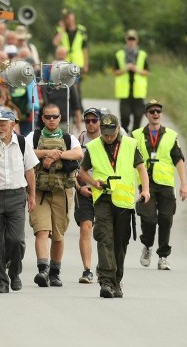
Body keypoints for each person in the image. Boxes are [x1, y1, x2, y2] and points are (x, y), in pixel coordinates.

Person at [77, 114, 150, 298]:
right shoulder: (93, 147)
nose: (108, 137)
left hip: (124, 201)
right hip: (103, 199)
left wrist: (145, 190)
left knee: (120, 243)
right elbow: (82, 171)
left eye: (111, 133)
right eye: (105, 133)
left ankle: (117, 281)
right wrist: (93, 183)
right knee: (105, 238)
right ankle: (106, 282)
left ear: (118, 129)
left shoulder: (130, 145)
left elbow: (141, 168)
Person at [0, 108, 38, 293]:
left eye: (3, 123)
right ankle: (1, 282)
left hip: (16, 196)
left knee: (16, 240)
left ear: (12, 124)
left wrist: (32, 196)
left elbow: (30, 170)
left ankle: (14, 273)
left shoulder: (22, 143)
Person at [26, 103, 84, 287]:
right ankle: (42, 269)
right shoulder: (33, 137)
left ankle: (54, 272)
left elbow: (78, 153)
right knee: (41, 230)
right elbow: (25, 152)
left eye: (55, 117)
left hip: (62, 191)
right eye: (47, 117)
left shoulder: (68, 138)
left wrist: (58, 155)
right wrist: (45, 153)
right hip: (40, 191)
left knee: (58, 234)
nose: (51, 120)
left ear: (60, 118)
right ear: (42, 118)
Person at [131, 100, 187, 271]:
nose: (155, 114)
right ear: (146, 115)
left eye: (158, 111)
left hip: (165, 184)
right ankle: (148, 246)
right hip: (146, 183)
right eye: (151, 111)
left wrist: (183, 184)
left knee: (165, 219)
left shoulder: (171, 135)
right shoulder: (136, 135)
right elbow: (129, 159)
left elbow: (178, 159)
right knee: (148, 218)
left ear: (161, 114)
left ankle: (163, 256)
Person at [74, 108, 102, 283]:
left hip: (104, 191)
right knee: (86, 227)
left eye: (94, 120)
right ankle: (87, 269)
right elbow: (72, 170)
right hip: (84, 190)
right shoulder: (79, 141)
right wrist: (78, 188)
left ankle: (105, 264)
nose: (90, 124)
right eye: (87, 120)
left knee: (104, 232)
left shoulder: (108, 139)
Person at [52, 9, 88, 114]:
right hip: (64, 63)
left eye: (69, 17)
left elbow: (85, 48)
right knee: (68, 86)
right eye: (65, 18)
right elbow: (55, 42)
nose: (67, 19)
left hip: (78, 63)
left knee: (75, 87)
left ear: (73, 16)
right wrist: (62, 29)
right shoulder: (60, 29)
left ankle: (77, 109)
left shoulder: (81, 30)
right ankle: (75, 109)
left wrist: (86, 64)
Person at [114, 29, 150, 132]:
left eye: (133, 39)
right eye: (129, 39)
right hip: (124, 92)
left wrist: (136, 70)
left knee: (138, 116)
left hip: (138, 92)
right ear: (126, 40)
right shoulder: (119, 54)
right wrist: (125, 69)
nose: (131, 41)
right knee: (125, 116)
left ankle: (135, 136)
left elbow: (147, 72)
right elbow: (115, 71)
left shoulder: (142, 54)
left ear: (137, 40)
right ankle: (125, 135)